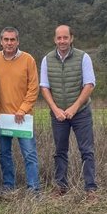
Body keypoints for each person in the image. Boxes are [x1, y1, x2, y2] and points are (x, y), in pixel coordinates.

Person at [40, 25, 98, 202]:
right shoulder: (47, 59)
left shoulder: (83, 57)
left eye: (65, 38)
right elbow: (44, 87)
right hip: (58, 114)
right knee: (60, 151)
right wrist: (55, 109)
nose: (62, 41)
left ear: (71, 38)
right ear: (54, 39)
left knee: (87, 151)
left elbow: (89, 84)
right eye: (59, 38)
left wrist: (74, 108)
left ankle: (90, 189)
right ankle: (60, 187)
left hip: (80, 112)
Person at [0, 27, 41, 193]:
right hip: (1, 118)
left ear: (18, 41)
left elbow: (33, 88)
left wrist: (23, 109)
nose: (9, 43)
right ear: (1, 41)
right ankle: (8, 186)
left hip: (22, 118)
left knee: (29, 154)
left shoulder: (28, 60)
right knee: (4, 154)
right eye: (6, 40)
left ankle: (33, 189)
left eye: (12, 40)